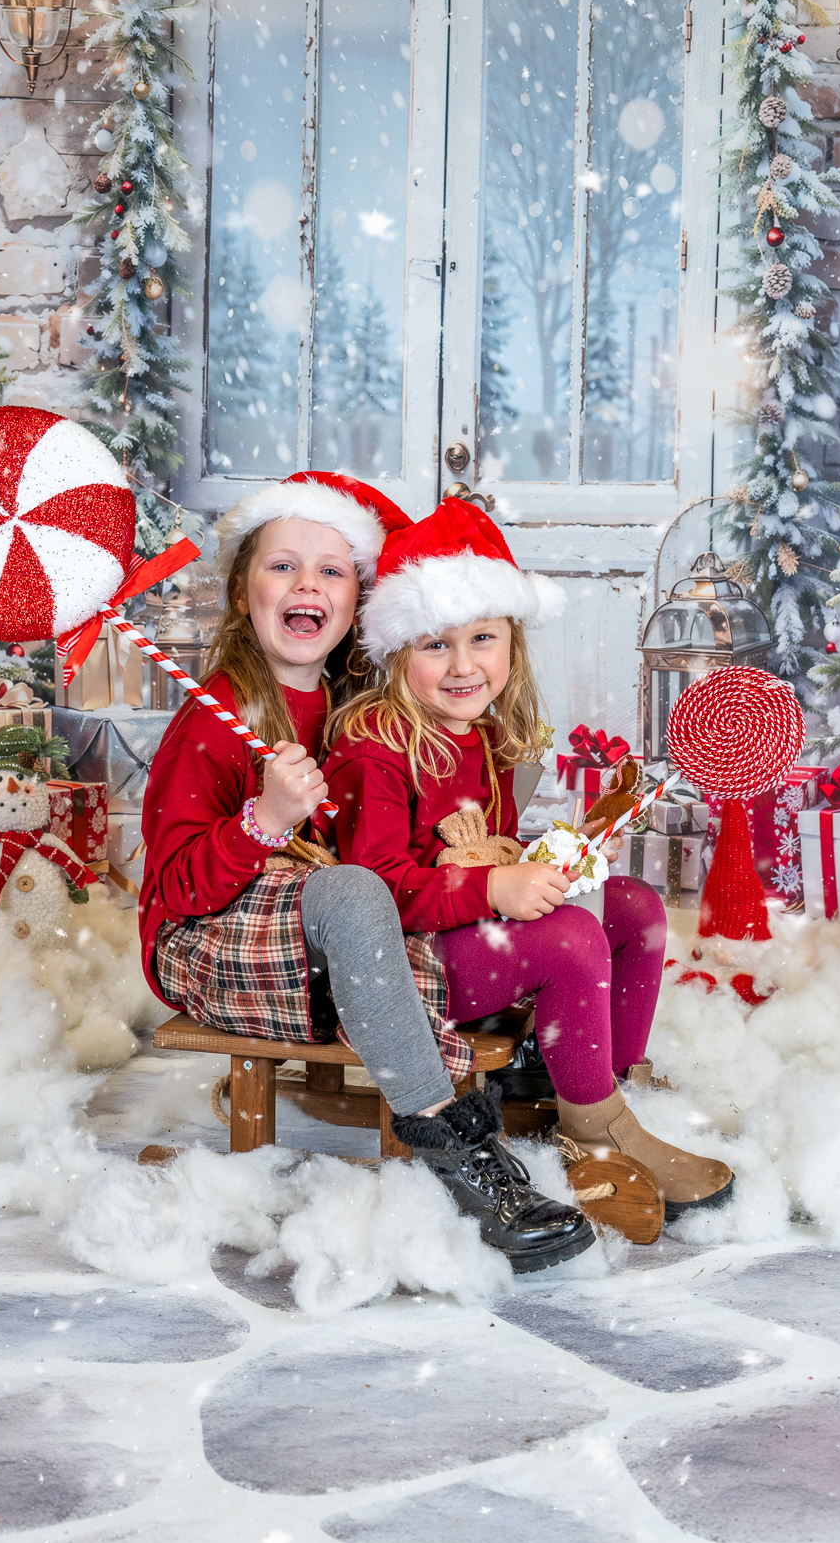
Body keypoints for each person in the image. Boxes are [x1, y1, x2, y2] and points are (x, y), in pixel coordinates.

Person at [138, 469, 592, 1273]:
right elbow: (174, 891)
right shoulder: (215, 718)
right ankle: (456, 1148)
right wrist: (262, 821)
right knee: (356, 891)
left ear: (359, 602)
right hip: (206, 942)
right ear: (242, 594)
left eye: (332, 570)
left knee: (373, 895)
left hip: (325, 939)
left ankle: (515, 1070)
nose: (306, 584)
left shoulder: (356, 707)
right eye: (282, 566)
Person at [322, 499, 734, 1233]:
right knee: (570, 940)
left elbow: (494, 853)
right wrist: (494, 888)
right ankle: (595, 1132)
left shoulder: (480, 736)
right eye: (435, 645)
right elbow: (372, 898)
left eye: (483, 638)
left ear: (511, 641)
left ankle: (601, 1082)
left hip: (468, 935)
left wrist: (563, 861)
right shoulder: (373, 747)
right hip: (407, 971)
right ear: (395, 651)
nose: (463, 666)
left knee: (633, 907)